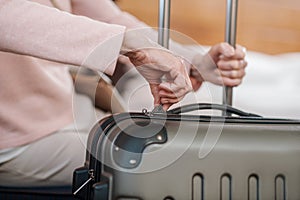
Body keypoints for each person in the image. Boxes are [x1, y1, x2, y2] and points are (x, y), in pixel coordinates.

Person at [0, 0, 246, 186]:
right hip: (17, 139)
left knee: (186, 147)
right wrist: (131, 46)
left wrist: (194, 61)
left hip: (64, 111)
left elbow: (111, 18)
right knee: (169, 162)